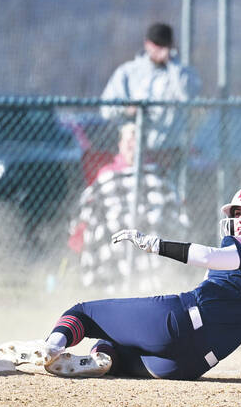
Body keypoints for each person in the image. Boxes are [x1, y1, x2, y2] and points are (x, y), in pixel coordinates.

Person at [0, 187, 241, 380]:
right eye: (236, 215)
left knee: (83, 313)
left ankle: (52, 346)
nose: (240, 221)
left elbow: (209, 258)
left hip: (179, 321)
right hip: (187, 367)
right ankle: (100, 358)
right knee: (113, 344)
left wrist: (154, 243)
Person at [67, 122, 189, 293]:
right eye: (128, 141)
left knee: (154, 227)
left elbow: (172, 206)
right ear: (120, 146)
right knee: (114, 228)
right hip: (113, 233)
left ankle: (155, 287)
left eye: (136, 140)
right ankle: (114, 288)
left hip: (152, 226)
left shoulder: (157, 174)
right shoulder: (107, 174)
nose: (132, 145)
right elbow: (88, 208)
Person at [100, 22, 201, 189]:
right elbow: (106, 109)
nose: (160, 50)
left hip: (170, 154)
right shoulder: (128, 72)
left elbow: (187, 96)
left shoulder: (181, 73)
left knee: (167, 197)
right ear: (147, 44)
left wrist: (172, 65)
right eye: (156, 45)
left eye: (165, 45)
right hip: (135, 154)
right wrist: (128, 109)